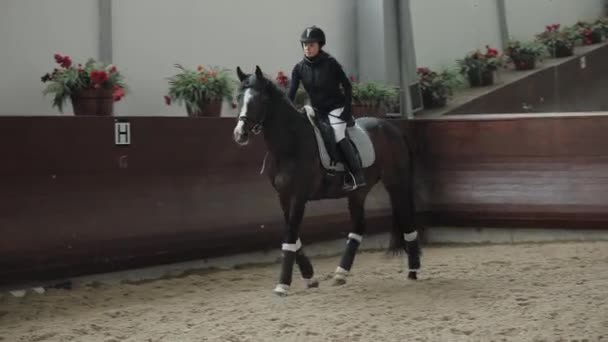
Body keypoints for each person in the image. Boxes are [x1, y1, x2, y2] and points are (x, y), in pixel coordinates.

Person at [288, 25, 366, 191]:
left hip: (335, 108)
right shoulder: (299, 68)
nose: (307, 48)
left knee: (338, 135)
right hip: (315, 109)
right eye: (305, 44)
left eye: (311, 44)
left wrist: (347, 109)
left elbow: (347, 86)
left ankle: (356, 175)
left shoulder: (331, 64)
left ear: (319, 45)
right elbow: (291, 94)